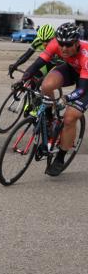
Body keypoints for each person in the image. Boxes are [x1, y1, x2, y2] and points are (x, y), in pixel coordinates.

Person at [21, 23, 88, 176]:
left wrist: (65, 99)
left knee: (70, 117)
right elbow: (38, 64)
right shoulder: (55, 44)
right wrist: (23, 78)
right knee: (46, 86)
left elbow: (82, 89)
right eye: (61, 43)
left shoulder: (85, 54)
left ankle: (60, 158)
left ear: (77, 42)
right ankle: (50, 120)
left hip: (86, 80)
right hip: (72, 69)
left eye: (68, 44)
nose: (63, 48)